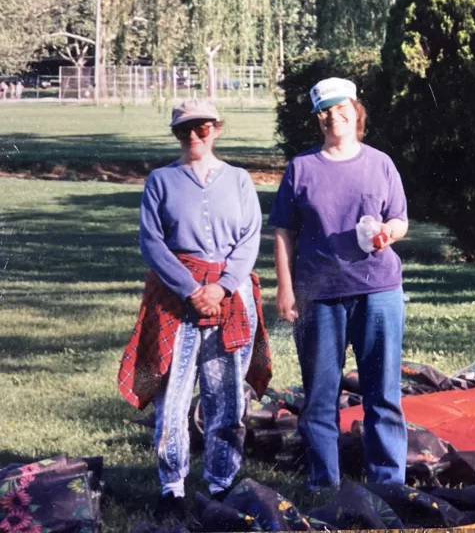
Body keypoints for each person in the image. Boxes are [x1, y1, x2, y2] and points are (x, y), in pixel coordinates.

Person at [117, 98, 272, 521]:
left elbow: (250, 240)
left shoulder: (239, 180)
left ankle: (222, 481)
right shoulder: (161, 181)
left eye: (202, 127)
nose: (193, 135)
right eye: (184, 129)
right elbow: (152, 242)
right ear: (175, 134)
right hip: (176, 299)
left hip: (230, 297)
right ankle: (173, 486)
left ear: (217, 129)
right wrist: (190, 289)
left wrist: (221, 287)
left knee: (226, 396)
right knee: (174, 394)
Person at [268, 77, 409, 492]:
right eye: (325, 111)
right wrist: (285, 286)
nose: (334, 116)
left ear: (356, 110)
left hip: (378, 290)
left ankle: (389, 484)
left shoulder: (380, 163)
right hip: (319, 296)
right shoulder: (302, 168)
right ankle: (323, 485)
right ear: (318, 119)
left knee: (382, 394)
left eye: (341, 107)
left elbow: (399, 218)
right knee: (319, 396)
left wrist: (388, 233)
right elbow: (283, 232)